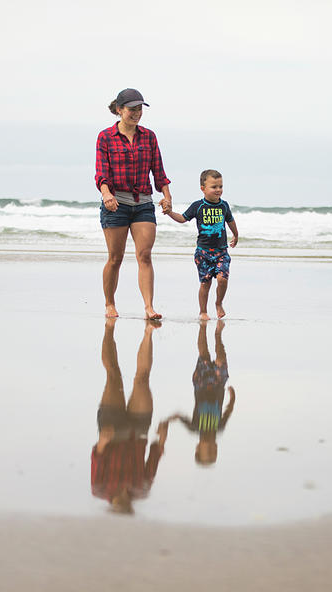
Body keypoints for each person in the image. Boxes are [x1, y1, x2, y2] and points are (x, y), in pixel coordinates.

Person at [95, 88, 172, 320]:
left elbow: (159, 172)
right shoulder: (105, 137)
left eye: (140, 109)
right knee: (115, 258)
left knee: (145, 255)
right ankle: (110, 303)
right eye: (132, 109)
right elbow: (101, 174)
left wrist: (167, 196)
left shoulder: (149, 136)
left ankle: (149, 308)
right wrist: (107, 194)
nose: (137, 113)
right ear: (119, 110)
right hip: (115, 204)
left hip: (143, 204)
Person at [91, 320, 171, 514]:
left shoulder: (100, 489)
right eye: (126, 507)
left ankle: (110, 331)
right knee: (142, 380)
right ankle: (148, 333)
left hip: (112, 431)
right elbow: (152, 462)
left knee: (113, 375)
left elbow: (96, 459)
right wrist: (161, 439)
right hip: (138, 430)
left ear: (112, 506)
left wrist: (102, 442)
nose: (123, 503)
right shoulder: (141, 490)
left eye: (119, 506)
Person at [161, 169, 238, 320]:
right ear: (203, 188)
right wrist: (170, 212)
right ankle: (203, 311)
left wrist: (236, 234)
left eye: (220, 186)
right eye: (214, 187)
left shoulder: (224, 206)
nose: (218, 190)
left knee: (223, 279)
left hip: (221, 251)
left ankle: (218, 303)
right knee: (205, 283)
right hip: (203, 252)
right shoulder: (198, 206)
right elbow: (182, 218)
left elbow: (230, 221)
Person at [168, 320, 236, 466]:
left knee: (203, 354)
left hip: (201, 384)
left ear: (198, 447)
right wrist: (233, 398)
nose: (211, 446)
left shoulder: (194, 427)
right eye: (213, 450)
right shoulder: (219, 427)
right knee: (221, 358)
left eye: (208, 450)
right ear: (216, 447)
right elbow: (227, 412)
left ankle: (203, 329)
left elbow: (181, 417)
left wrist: (172, 418)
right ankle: (218, 336)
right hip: (218, 383)